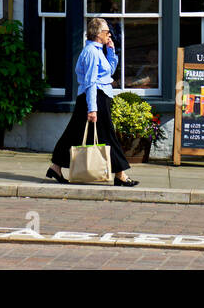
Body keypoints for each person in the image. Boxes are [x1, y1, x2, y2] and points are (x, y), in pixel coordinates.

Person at [47, 17, 138, 186]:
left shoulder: (98, 51)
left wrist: (111, 51)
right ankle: (120, 174)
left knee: (74, 133)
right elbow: (90, 82)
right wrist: (93, 108)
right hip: (95, 97)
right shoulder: (91, 52)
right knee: (108, 135)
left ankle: (56, 166)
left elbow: (108, 72)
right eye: (106, 32)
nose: (109, 34)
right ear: (97, 33)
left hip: (97, 96)